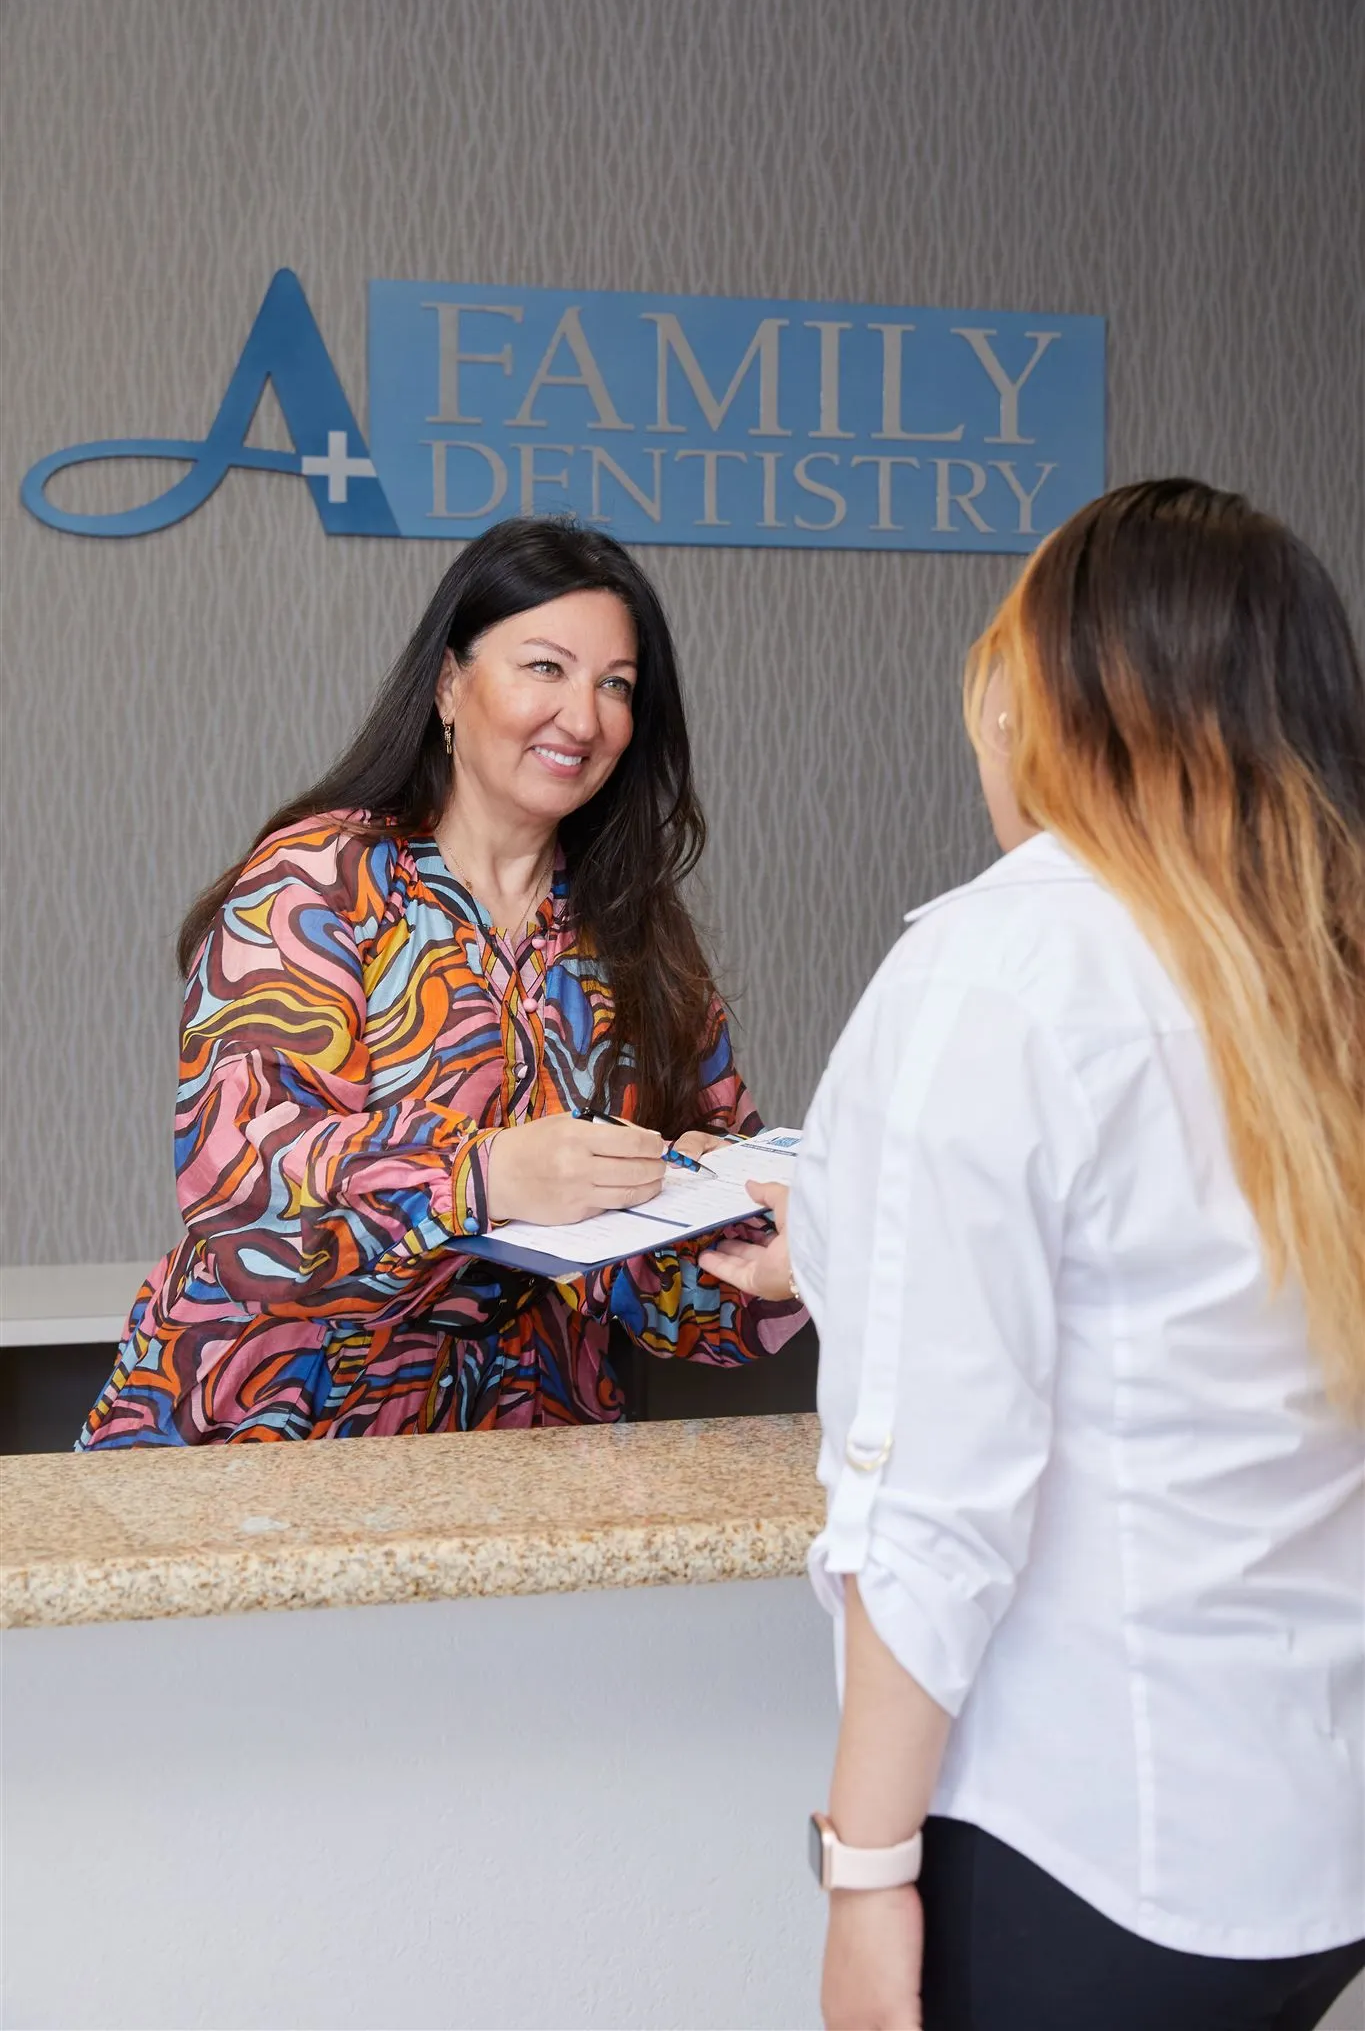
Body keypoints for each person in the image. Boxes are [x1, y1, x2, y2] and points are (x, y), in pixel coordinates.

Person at [703, 481, 1365, 2028]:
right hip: (1303, 1850)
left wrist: (862, 1882)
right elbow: (1205, 1293)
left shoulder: (999, 967)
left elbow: (934, 1503)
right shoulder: (1312, 964)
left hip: (1091, 1844)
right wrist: (860, 1246)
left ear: (1052, 701)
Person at [81, 517, 803, 1445]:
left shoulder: (639, 935)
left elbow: (681, 1304)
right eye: (545, 667)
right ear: (448, 685)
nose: (583, 718)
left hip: (527, 1453)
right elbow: (241, 1189)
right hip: (264, 1439)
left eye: (614, 685)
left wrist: (757, 1239)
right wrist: (488, 1173)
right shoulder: (321, 881)